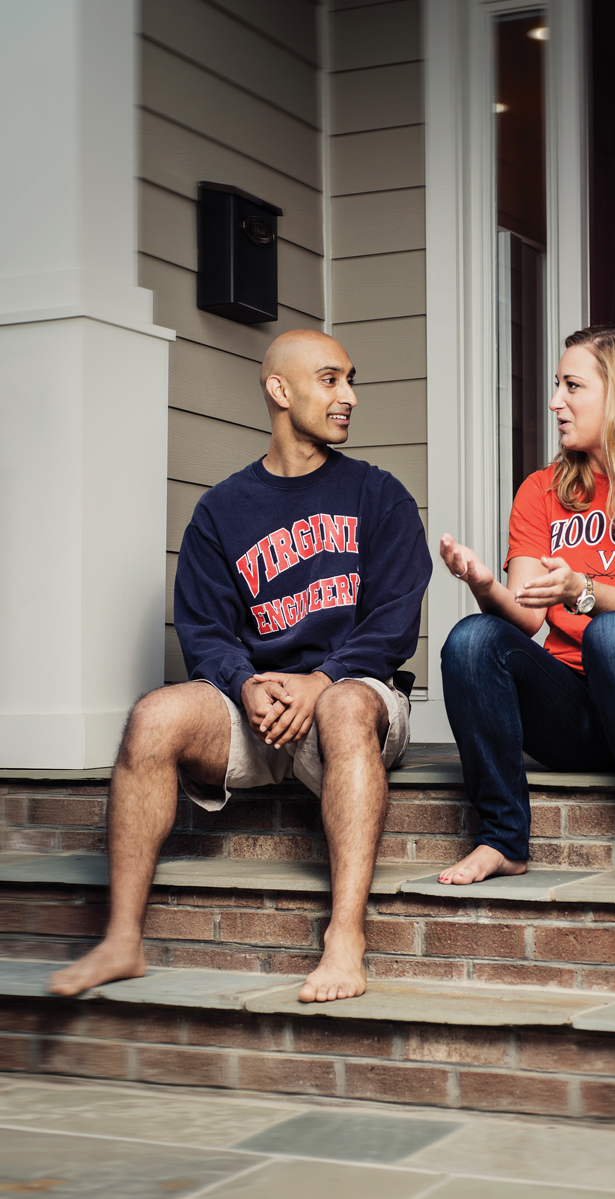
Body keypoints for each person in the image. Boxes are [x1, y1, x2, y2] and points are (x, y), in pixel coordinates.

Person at [50, 328, 432, 1003]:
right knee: (153, 716)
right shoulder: (222, 512)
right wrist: (243, 682)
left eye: (350, 380)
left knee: (344, 705)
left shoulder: (381, 497)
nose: (348, 396)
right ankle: (121, 939)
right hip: (258, 714)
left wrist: (322, 680)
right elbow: (202, 627)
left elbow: (394, 622)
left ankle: (346, 937)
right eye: (330, 379)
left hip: (353, 702)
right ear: (279, 390)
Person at [438, 326, 615, 894]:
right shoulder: (542, 491)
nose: (555, 402)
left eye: (573, 386)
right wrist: (482, 585)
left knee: (613, 632)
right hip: (570, 713)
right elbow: (524, 618)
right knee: (471, 638)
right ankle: (502, 839)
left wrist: (581, 591)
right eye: (556, 385)